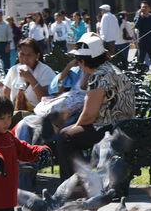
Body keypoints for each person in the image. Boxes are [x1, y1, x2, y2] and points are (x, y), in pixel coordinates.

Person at [57, 33, 135, 180]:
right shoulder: (105, 69)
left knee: (66, 136)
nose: (77, 63)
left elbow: (89, 115)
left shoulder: (99, 75)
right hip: (120, 123)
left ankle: (75, 185)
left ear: (84, 60)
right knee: (69, 132)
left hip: (112, 127)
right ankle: (82, 180)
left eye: (78, 60)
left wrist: (75, 127)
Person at [0, 38, 56, 117]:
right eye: (22, 55)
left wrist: (31, 79)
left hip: (37, 115)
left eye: (29, 55)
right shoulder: (14, 70)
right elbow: (6, 93)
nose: (25, 59)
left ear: (37, 55)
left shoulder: (45, 71)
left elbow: (46, 100)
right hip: (14, 113)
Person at [134, 1, 151, 70]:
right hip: (143, 43)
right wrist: (139, 16)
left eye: (145, 7)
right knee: (140, 61)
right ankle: (138, 77)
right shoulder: (138, 17)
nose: (144, 8)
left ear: (149, 8)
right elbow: (137, 26)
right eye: (142, 7)